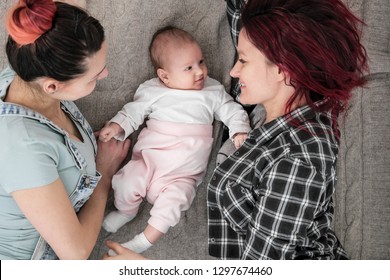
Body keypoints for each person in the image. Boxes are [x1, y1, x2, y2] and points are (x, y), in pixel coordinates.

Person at [207, 0, 368, 259]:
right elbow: (242, 15)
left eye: (243, 61)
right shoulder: (280, 102)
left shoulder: (298, 159)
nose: (233, 71)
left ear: (283, 70)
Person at [98, 26, 251, 255]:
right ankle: (126, 211)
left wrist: (239, 130)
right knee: (126, 181)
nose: (199, 71)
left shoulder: (212, 90)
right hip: (149, 162)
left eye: (201, 61)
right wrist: (117, 126)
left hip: (183, 173)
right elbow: (133, 112)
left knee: (174, 203)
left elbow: (232, 110)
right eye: (188, 68)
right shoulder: (152, 90)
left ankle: (143, 241)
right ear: (164, 75)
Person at [0, 0, 130, 260]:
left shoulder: (30, 63)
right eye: (93, 76)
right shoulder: (23, 147)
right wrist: (103, 175)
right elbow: (75, 253)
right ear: (52, 87)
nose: (104, 75)